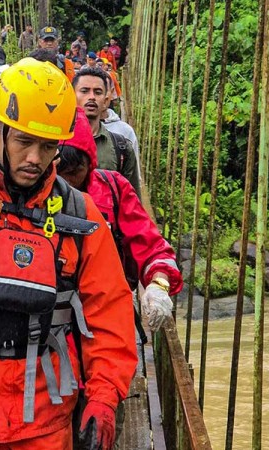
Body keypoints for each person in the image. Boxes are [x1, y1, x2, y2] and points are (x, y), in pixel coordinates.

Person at [0, 58, 137, 450]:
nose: (35, 158)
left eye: (48, 146)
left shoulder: (81, 214)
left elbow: (109, 311)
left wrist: (103, 396)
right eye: (24, 142)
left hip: (43, 410)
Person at [57, 109, 179, 329]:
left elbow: (152, 247)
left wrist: (158, 284)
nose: (67, 183)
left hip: (107, 312)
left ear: (91, 164)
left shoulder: (113, 188)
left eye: (75, 172)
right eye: (58, 173)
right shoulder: (29, 192)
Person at [73, 66, 141, 198]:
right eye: (85, 91)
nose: (91, 97)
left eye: (98, 92)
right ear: (72, 95)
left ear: (105, 101)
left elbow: (132, 201)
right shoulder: (55, 141)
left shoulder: (121, 147)